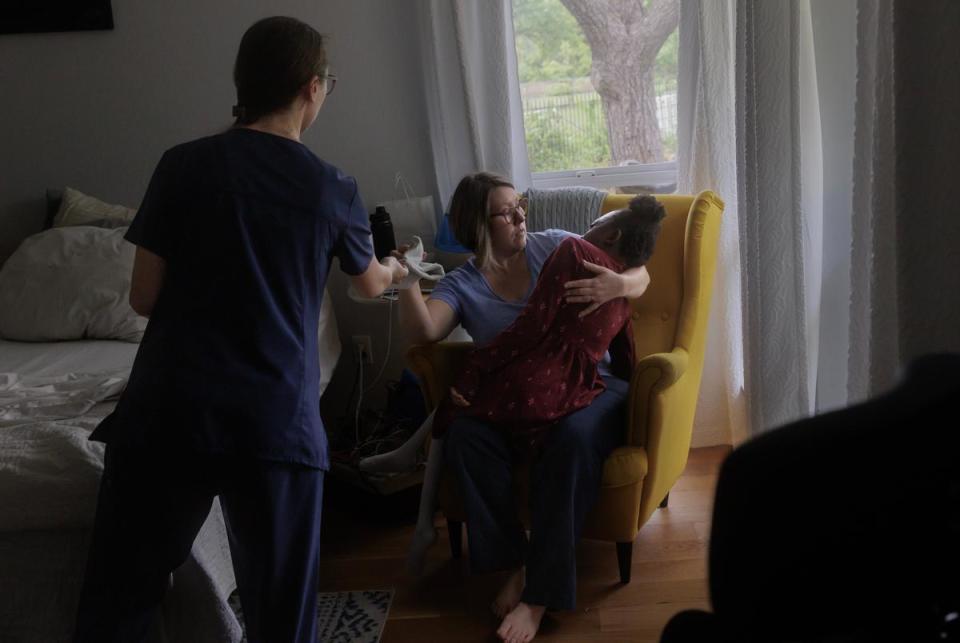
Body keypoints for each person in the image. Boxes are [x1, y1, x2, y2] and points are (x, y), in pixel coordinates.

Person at [73, 16, 407, 643]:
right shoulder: (331, 186)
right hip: (271, 420)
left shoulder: (180, 165)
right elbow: (368, 284)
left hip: (167, 414)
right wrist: (392, 267)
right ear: (311, 87)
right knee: (282, 616)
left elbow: (143, 299)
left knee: (120, 602)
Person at [395, 172, 653, 643]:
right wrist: (407, 280)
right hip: (520, 398)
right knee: (466, 437)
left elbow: (642, 271)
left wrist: (617, 284)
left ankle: (539, 594)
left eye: (521, 206)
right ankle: (515, 560)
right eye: (507, 211)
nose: (520, 218)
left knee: (571, 439)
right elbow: (426, 332)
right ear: (478, 224)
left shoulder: (552, 246)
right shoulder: (462, 284)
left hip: (595, 384)